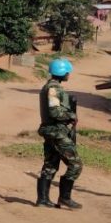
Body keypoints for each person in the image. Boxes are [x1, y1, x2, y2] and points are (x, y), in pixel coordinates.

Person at [35, 57, 83, 210]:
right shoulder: (54, 89)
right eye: (67, 71)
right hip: (57, 132)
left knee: (50, 165)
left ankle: (42, 200)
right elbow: (55, 112)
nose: (69, 74)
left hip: (52, 132)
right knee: (75, 164)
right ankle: (64, 197)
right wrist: (71, 115)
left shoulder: (49, 87)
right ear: (62, 72)